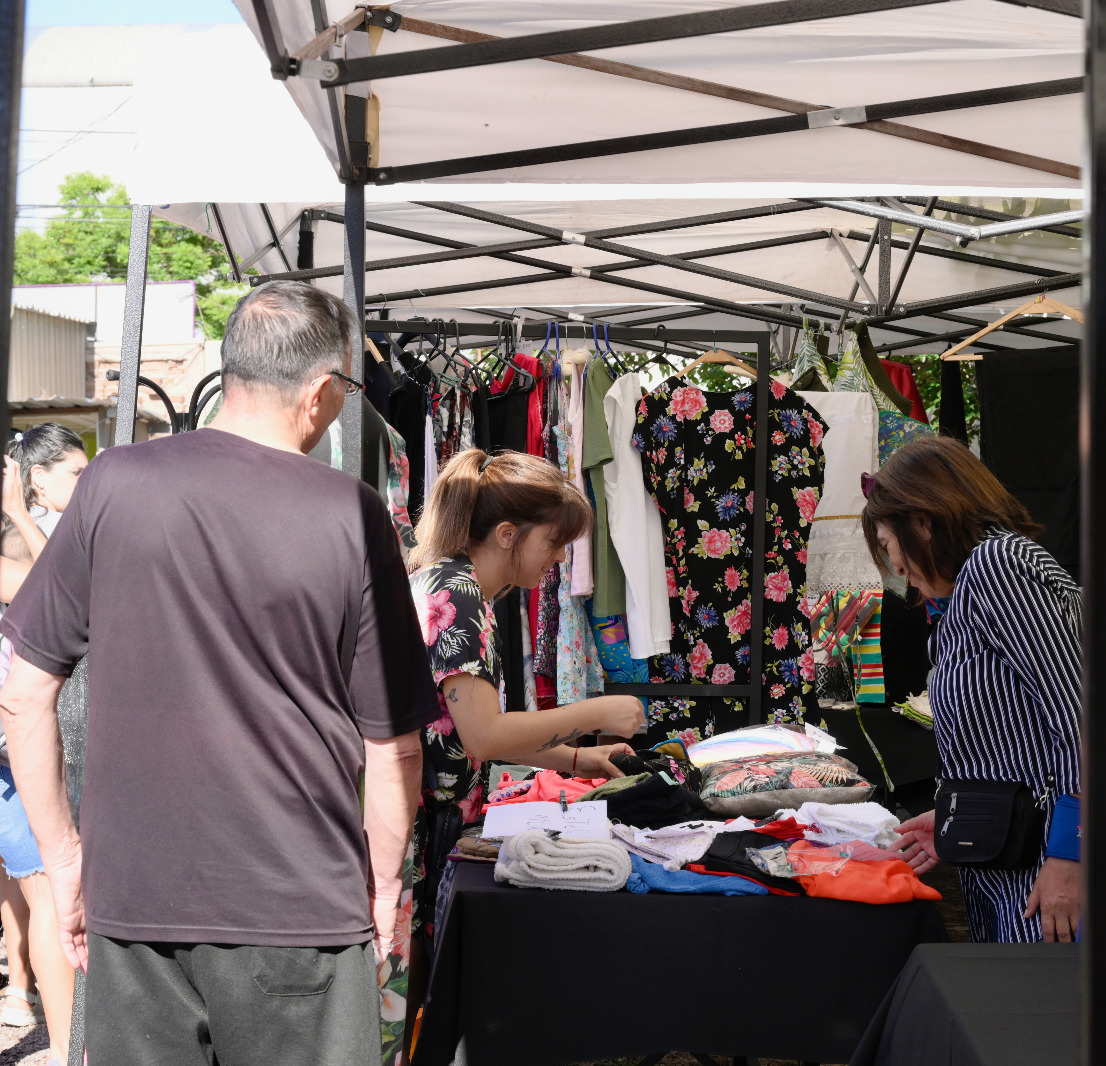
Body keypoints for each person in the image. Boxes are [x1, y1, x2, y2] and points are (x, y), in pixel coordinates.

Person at [0, 280, 437, 1065]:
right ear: (320, 392)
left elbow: (23, 689)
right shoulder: (350, 512)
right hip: (298, 904)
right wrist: (379, 889)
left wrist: (66, 859)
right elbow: (394, 746)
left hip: (133, 898)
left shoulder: (110, 484)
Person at [406, 448, 646, 944]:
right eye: (554, 542)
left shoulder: (458, 586)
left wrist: (578, 759)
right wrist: (596, 712)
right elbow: (486, 736)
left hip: (429, 823)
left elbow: (471, 731)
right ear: (508, 535)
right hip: (418, 832)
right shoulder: (460, 596)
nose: (559, 558)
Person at [864, 436, 1085, 944]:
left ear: (923, 520)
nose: (896, 568)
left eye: (890, 546)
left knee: (1047, 1016)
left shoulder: (997, 567)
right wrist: (958, 817)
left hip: (1046, 868)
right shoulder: (968, 592)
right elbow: (1015, 739)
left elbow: (1081, 719)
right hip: (1015, 863)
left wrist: (1071, 856)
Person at [0, 453, 69, 1057]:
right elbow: (54, 590)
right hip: (9, 757)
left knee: (34, 887)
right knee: (45, 890)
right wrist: (21, 514)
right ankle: (69, 1038)